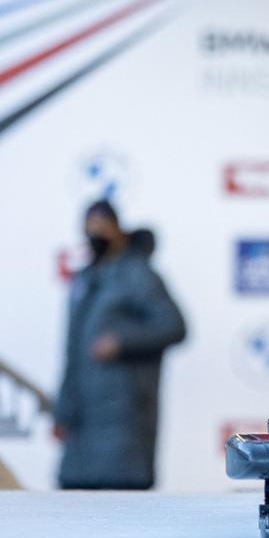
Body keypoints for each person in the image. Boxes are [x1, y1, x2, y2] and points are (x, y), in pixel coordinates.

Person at [53, 200, 186, 490]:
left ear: (118, 229)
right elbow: (72, 350)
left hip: (124, 418)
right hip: (82, 420)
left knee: (123, 511)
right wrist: (63, 409)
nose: (95, 231)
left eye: (103, 224)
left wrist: (122, 341)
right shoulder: (85, 278)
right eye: (90, 226)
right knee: (74, 510)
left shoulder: (138, 274)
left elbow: (174, 326)